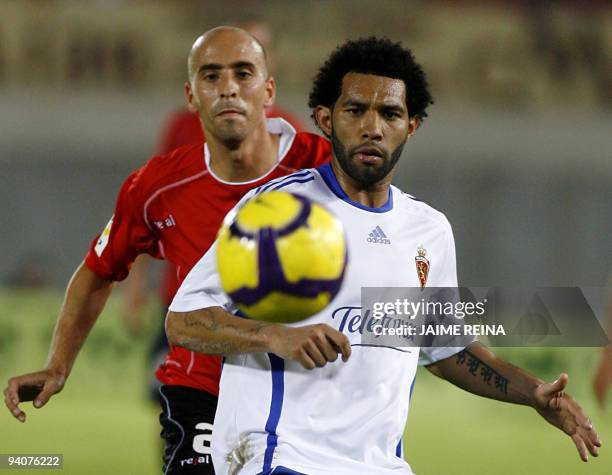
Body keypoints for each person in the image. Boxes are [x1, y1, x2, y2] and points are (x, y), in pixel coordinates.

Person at [166, 37, 601, 475]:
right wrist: (273, 336)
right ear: (325, 119)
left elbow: (445, 348)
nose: (372, 127)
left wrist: (533, 392)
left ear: (412, 124)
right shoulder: (277, 213)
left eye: (390, 113)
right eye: (355, 110)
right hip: (277, 458)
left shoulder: (428, 231)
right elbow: (183, 320)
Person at [3, 26, 330, 474]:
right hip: (200, 392)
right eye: (211, 76)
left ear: (268, 89)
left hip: (302, 394)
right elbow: (97, 270)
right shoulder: (157, 187)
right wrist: (57, 366)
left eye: (243, 73)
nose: (228, 88)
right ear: (191, 95)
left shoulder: (324, 170)